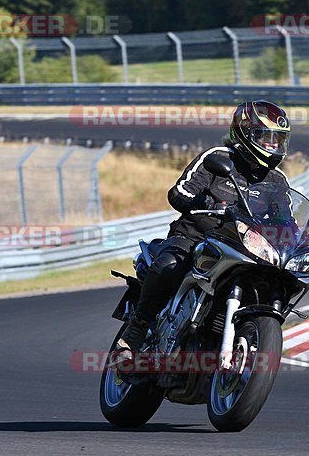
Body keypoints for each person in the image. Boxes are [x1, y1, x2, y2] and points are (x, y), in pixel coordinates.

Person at [113, 100, 292, 364]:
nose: (271, 145)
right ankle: (136, 330)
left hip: (244, 247)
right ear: (243, 133)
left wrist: (304, 239)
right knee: (169, 263)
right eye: (264, 137)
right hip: (196, 237)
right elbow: (180, 193)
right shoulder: (217, 158)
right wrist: (201, 202)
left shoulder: (277, 180)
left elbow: (286, 221)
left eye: (277, 140)